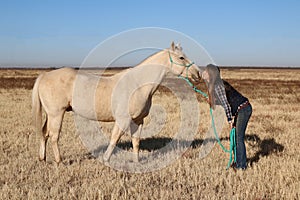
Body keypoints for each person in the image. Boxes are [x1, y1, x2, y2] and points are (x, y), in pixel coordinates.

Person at [201, 64, 252, 170]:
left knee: (238, 137)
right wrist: (212, 101)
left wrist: (230, 120)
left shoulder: (218, 86)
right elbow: (223, 101)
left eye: (205, 71)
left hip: (243, 109)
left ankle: (241, 166)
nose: (203, 72)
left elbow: (226, 105)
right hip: (240, 109)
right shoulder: (215, 85)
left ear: (210, 73)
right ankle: (238, 162)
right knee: (236, 137)